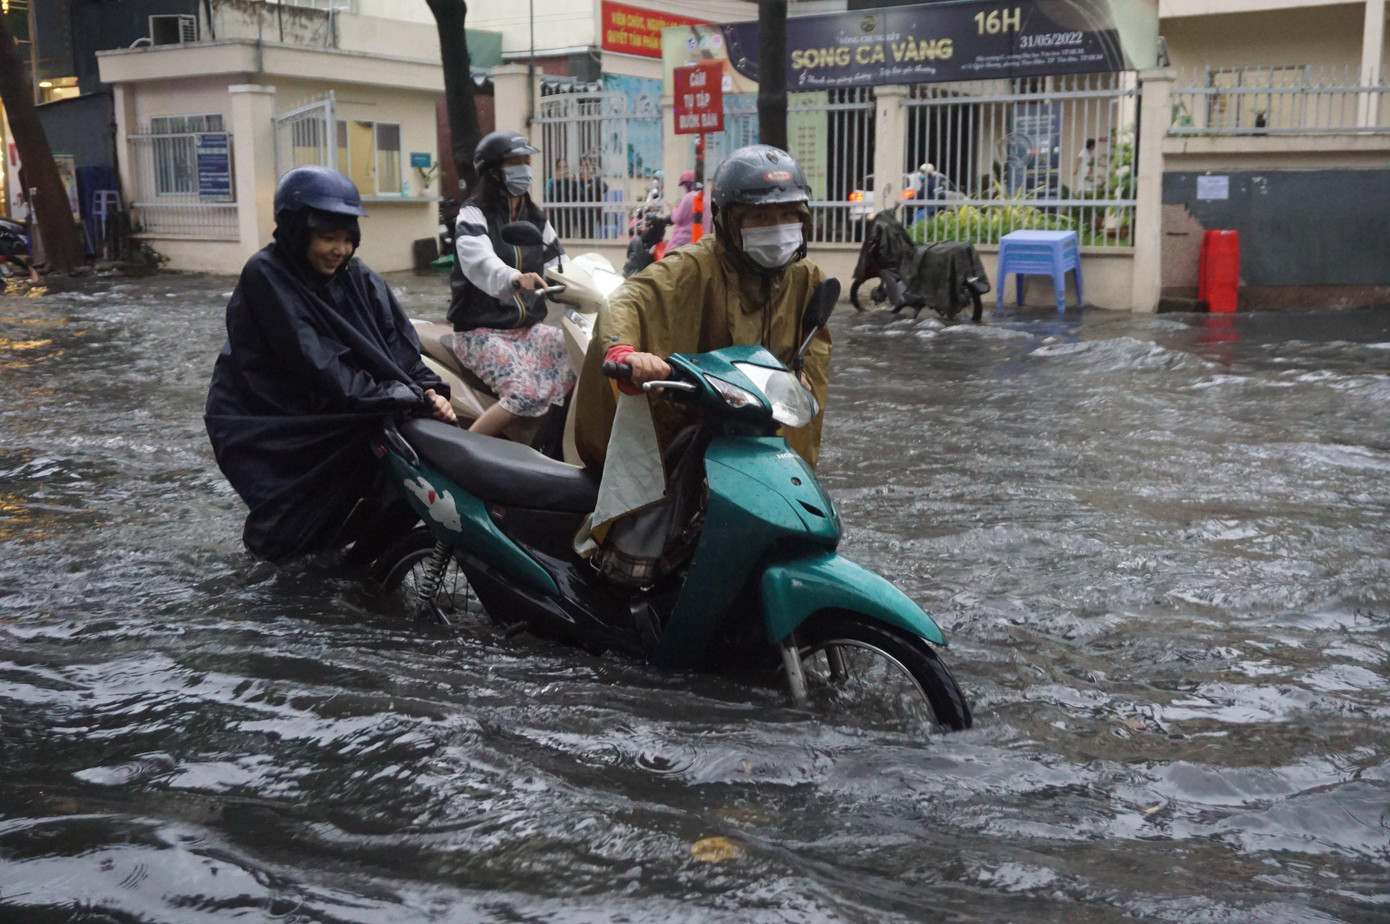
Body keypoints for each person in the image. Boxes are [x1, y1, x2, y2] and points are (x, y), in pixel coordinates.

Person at [205, 165, 455, 564]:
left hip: (346, 405)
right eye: (328, 238)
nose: (340, 250)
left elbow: (397, 343)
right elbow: (316, 361)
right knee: (290, 524)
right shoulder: (266, 275)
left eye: (347, 239)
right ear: (296, 233)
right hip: (273, 419)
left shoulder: (357, 276)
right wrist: (400, 397)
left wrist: (428, 389)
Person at [574, 144, 831, 473]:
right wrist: (624, 351)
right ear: (729, 221)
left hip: (767, 437)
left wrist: (799, 378)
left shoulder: (806, 278)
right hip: (696, 429)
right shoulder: (693, 266)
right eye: (760, 216)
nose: (777, 227)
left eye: (787, 215)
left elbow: (813, 356)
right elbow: (629, 299)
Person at [447, 130, 575, 438]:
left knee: (581, 361)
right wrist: (514, 278)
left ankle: (549, 443)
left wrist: (587, 285)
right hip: (481, 331)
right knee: (525, 392)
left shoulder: (536, 218)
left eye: (527, 162)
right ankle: (465, 451)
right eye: (515, 163)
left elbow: (560, 264)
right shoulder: (473, 214)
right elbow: (479, 260)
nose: (525, 169)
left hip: (529, 329)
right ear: (493, 171)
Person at [665, 170, 699, 252]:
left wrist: (673, 209)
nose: (685, 187)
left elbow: (677, 218)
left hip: (683, 241)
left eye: (685, 184)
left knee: (665, 257)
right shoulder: (703, 198)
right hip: (699, 242)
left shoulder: (688, 197)